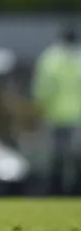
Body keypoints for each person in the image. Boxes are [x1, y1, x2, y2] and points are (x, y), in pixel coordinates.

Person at [33, 26, 81, 195]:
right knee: (73, 157)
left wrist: (40, 108)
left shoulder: (50, 59)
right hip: (75, 116)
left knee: (56, 158)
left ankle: (55, 191)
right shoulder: (78, 59)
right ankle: (73, 191)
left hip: (54, 115)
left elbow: (42, 89)